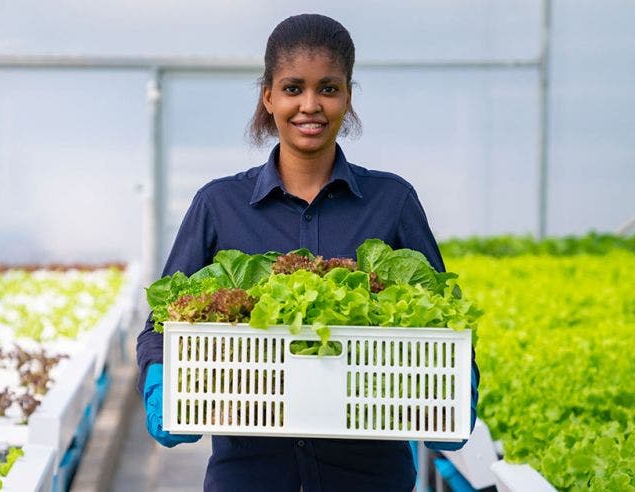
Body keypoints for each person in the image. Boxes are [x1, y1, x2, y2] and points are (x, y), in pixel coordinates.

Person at [135, 13, 479, 492]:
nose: (310, 105)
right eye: (293, 88)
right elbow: (161, 318)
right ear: (269, 96)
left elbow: (444, 317)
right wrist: (161, 377)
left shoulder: (392, 201)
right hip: (249, 475)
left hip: (368, 476)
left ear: (348, 96)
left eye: (328, 88)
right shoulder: (219, 205)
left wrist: (458, 381)